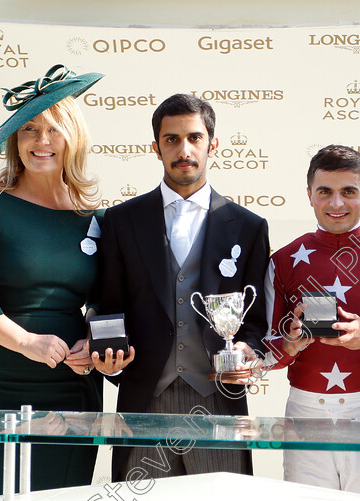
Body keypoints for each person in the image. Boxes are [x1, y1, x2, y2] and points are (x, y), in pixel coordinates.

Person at [0, 65, 125, 499]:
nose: (41, 141)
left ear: (73, 137)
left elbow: (104, 301)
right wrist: (27, 343)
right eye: (29, 129)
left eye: (53, 129)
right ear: (15, 141)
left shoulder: (94, 218)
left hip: (71, 386)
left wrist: (92, 343)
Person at [96, 93, 270, 481]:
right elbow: (108, 305)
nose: (184, 149)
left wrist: (247, 349)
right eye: (171, 139)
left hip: (218, 401)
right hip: (143, 400)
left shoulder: (248, 226)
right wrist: (108, 359)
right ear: (156, 148)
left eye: (194, 137)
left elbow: (257, 321)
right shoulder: (121, 221)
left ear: (213, 144)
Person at [264, 144, 360, 497]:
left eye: (348, 192)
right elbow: (264, 355)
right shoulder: (283, 261)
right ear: (309, 196)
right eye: (325, 192)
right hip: (304, 412)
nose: (336, 204)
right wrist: (290, 344)